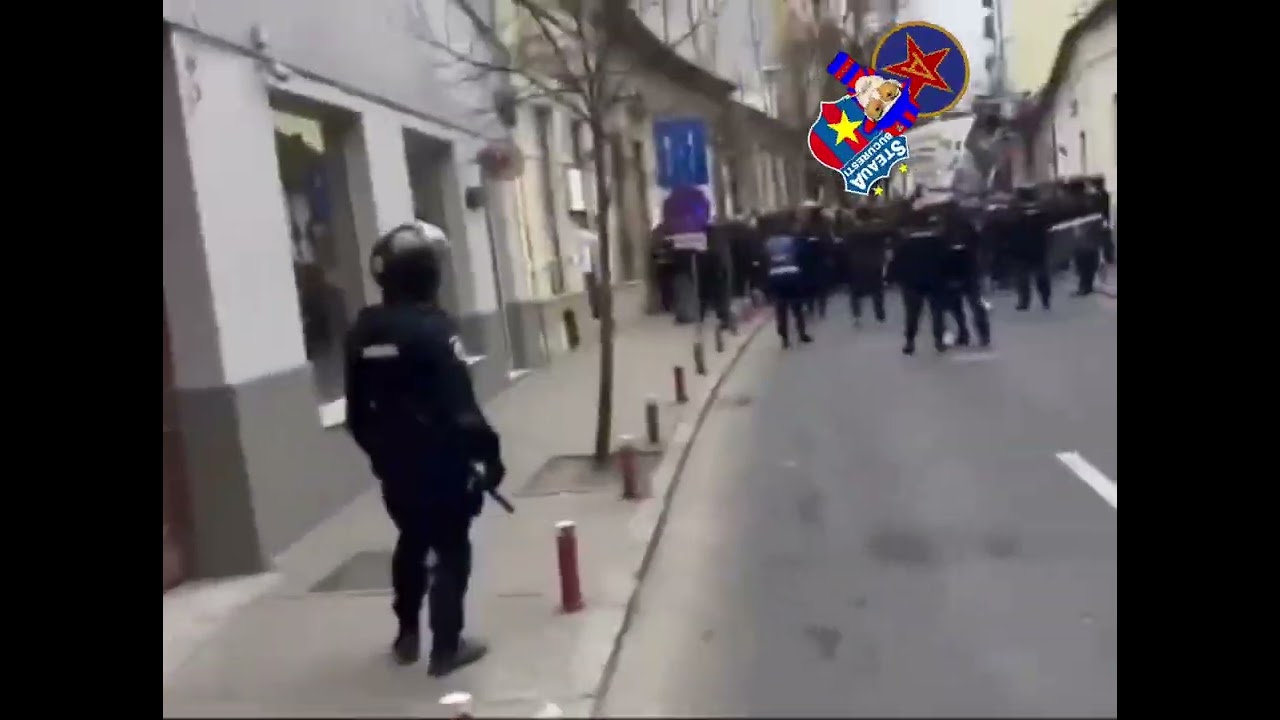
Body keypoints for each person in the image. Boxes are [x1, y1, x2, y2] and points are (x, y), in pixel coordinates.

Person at [343, 221, 504, 676]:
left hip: (395, 466)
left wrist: (381, 455)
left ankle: (407, 634)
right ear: (427, 273)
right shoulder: (434, 330)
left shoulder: (363, 331)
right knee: (452, 547)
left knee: (412, 540)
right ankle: (447, 648)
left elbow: (356, 412)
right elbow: (462, 406)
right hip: (443, 461)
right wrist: (490, 457)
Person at [889, 201, 950, 355]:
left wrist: (892, 278)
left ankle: (910, 341)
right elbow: (946, 260)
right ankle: (939, 340)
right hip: (935, 280)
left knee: (912, 313)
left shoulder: (905, 243)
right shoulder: (937, 241)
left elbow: (896, 262)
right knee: (937, 312)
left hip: (911, 282)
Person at [941, 202, 991, 347]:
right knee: (975, 303)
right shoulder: (968, 227)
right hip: (969, 269)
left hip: (951, 271)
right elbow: (978, 244)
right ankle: (983, 334)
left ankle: (963, 333)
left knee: (955, 305)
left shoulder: (944, 231)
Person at [763, 214, 812, 347]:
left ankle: (784, 338)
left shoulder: (768, 243)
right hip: (792, 274)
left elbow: (764, 260)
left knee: (781, 308)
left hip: (775, 276)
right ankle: (802, 334)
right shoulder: (793, 240)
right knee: (797, 306)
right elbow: (802, 255)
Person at [1010, 186, 1053, 311]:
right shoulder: (1041, 210)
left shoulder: (1015, 211)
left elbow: (1009, 227)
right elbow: (1048, 227)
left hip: (1020, 249)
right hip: (1038, 247)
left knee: (1022, 277)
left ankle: (1024, 301)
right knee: (1041, 274)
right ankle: (1045, 299)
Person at [845, 206, 888, 325]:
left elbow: (847, 247)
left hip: (857, 263)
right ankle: (879, 314)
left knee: (855, 292)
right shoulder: (877, 229)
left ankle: (856, 316)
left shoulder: (852, 231)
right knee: (877, 290)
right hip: (875, 262)